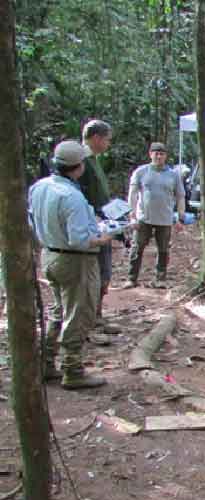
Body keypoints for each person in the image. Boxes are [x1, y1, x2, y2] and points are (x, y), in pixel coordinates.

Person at [28, 141, 114, 389]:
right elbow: (79, 240)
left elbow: (33, 220)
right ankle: (72, 370)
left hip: (50, 255)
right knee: (78, 314)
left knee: (59, 311)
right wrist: (103, 238)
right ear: (79, 166)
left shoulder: (40, 186)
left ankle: (46, 362)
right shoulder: (71, 196)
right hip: (74, 260)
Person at [124, 142, 185, 288]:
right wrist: (131, 214)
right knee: (137, 247)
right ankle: (131, 278)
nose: (159, 157)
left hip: (165, 219)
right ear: (150, 154)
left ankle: (160, 279)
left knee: (163, 249)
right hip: (143, 218)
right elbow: (132, 194)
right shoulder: (141, 172)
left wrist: (180, 217)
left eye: (162, 154)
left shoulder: (173, 175)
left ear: (166, 156)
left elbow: (180, 196)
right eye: (156, 153)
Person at [78, 119, 114, 318]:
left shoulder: (93, 160)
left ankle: (96, 313)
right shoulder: (82, 161)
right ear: (97, 138)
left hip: (103, 220)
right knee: (98, 270)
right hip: (93, 223)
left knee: (104, 268)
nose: (108, 144)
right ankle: (91, 316)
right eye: (107, 139)